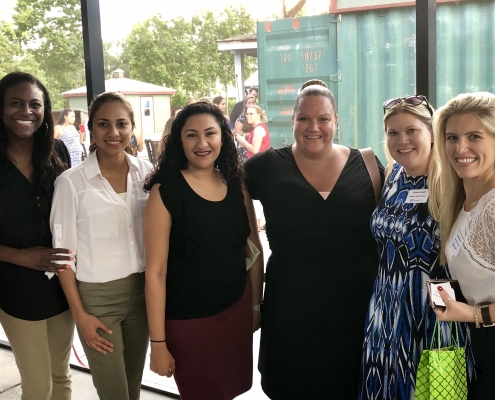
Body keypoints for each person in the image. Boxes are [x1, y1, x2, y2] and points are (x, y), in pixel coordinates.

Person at [243, 79, 384, 399]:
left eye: (323, 118)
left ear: (336, 121)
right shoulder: (266, 166)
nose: (313, 127)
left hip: (355, 310)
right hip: (291, 310)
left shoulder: (367, 166)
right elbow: (217, 190)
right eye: (304, 118)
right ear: (292, 120)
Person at [142, 102, 263, 399]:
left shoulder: (237, 185)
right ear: (179, 141)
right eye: (191, 135)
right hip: (188, 322)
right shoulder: (165, 192)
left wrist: (255, 306)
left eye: (210, 133)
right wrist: (158, 343)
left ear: (223, 137)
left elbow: (253, 250)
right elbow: (156, 273)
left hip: (236, 310)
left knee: (231, 390)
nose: (202, 143)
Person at [50, 92, 153, 400]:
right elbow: (63, 259)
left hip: (142, 293)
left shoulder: (147, 174)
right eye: (103, 124)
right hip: (97, 300)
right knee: (113, 391)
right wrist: (80, 315)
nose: (113, 132)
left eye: (121, 124)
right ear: (91, 128)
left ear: (132, 127)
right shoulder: (71, 183)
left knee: (133, 383)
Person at [358, 95, 450, 400]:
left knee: (429, 392)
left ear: (431, 133)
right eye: (393, 132)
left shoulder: (449, 180)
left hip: (429, 311)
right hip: (384, 307)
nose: (402, 140)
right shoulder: (392, 175)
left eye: (412, 130)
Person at [0, 71, 74, 400]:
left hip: (61, 286)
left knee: (61, 377)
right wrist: (20, 256)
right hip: (14, 288)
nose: (26, 111)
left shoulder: (58, 152)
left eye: (35, 104)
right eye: (16, 103)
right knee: (38, 386)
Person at [429, 91, 495, 400]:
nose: (460, 148)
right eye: (452, 137)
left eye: (474, 136)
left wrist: (473, 314)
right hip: (480, 349)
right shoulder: (464, 198)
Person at [233, 95, 256, 164]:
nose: (251, 104)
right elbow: (237, 133)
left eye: (253, 102)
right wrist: (251, 134)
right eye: (249, 102)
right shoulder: (241, 117)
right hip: (244, 146)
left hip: (255, 144)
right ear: (245, 104)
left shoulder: (257, 116)